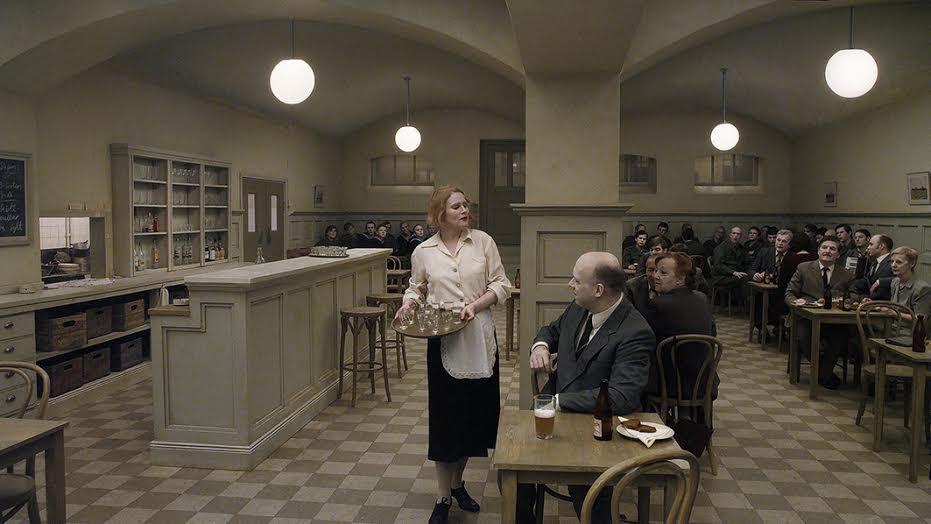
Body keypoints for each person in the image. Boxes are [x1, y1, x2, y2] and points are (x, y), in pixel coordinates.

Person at [396, 186, 511, 524]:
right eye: (457, 206)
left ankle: (458, 483)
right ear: (439, 213)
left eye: (466, 205)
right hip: (443, 340)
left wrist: (476, 305)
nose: (465, 210)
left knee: (473, 422)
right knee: (446, 423)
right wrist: (408, 304)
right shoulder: (423, 251)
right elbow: (416, 288)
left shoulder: (483, 242)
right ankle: (443, 496)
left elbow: (501, 284)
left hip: (480, 338)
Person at [522, 252, 654, 523]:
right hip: (557, 417)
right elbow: (551, 330)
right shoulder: (578, 307)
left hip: (600, 426)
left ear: (598, 290)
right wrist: (541, 346)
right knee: (514, 471)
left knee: (590, 494)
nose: (570, 284)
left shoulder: (635, 331)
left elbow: (620, 396)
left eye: (576, 280)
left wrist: (558, 402)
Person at [645, 252, 718, 403]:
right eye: (656, 270)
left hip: (670, 385)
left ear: (680, 279)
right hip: (704, 382)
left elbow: (644, 340)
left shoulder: (658, 304)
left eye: (663, 272)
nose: (655, 276)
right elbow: (712, 333)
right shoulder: (702, 298)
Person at [785, 237, 855, 389]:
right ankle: (824, 372)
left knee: (840, 336)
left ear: (838, 254)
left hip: (833, 320)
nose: (827, 251)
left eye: (832, 249)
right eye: (824, 247)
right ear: (818, 251)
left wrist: (844, 300)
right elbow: (789, 293)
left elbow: (854, 295)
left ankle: (823, 373)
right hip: (805, 318)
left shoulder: (846, 274)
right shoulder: (804, 268)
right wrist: (796, 302)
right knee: (803, 336)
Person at [750, 229, 794, 334]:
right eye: (778, 240)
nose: (780, 243)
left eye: (784, 241)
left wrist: (774, 277)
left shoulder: (793, 257)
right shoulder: (764, 252)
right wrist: (755, 275)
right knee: (757, 298)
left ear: (789, 244)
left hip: (783, 292)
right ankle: (761, 329)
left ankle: (779, 327)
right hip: (764, 291)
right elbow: (752, 269)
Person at [886, 246, 931, 329]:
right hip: (892, 327)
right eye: (892, 261)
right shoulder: (895, 282)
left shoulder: (922, 288)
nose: (893, 265)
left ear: (912, 264)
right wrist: (874, 305)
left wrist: (895, 314)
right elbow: (893, 307)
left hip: (908, 332)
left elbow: (921, 319)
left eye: (899, 262)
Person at [710, 227, 748, 300]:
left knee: (748, 277)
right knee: (743, 280)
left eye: (738, 234)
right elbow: (718, 265)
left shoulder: (741, 248)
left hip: (733, 274)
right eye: (734, 233)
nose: (735, 236)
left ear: (740, 236)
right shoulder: (722, 247)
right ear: (730, 235)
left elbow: (745, 262)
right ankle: (743, 304)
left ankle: (743, 303)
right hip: (720, 276)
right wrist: (733, 272)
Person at [852, 234, 894, 300]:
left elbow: (900, 279)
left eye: (871, 244)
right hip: (871, 300)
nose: (868, 248)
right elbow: (868, 281)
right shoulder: (875, 262)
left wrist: (880, 282)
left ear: (881, 246)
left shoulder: (892, 262)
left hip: (884, 302)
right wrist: (849, 281)